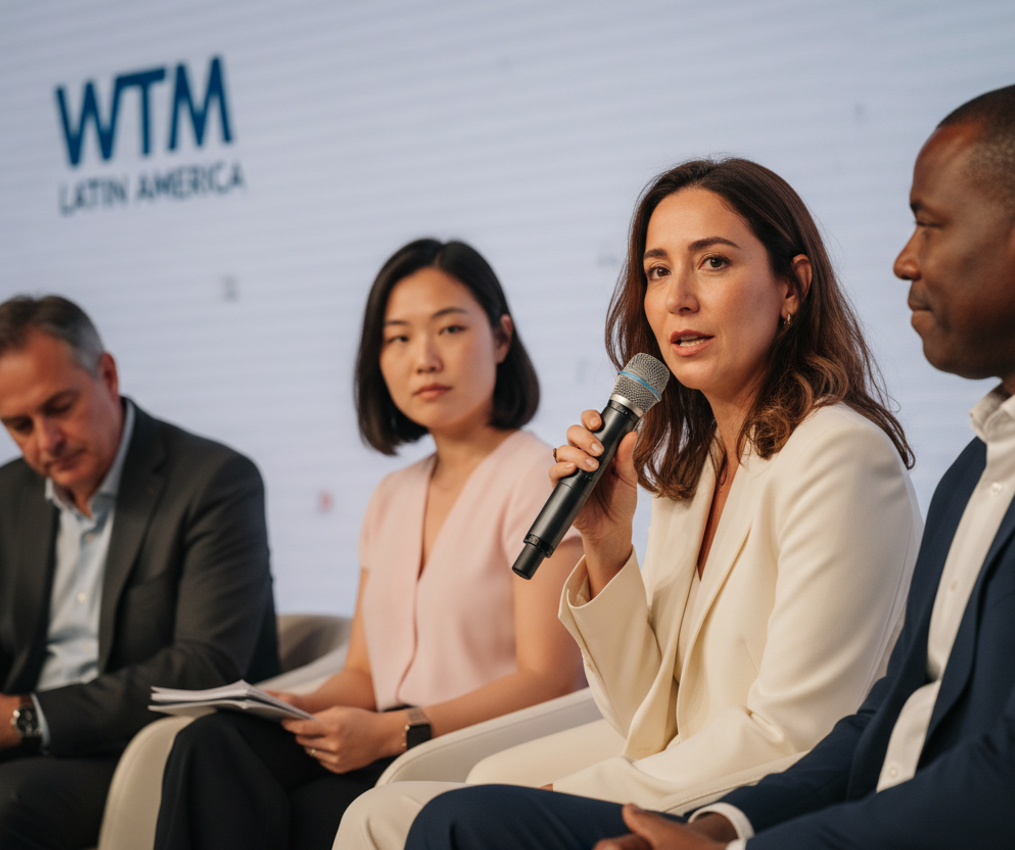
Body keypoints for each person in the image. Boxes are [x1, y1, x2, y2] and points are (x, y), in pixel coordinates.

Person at [405, 78, 1015, 850]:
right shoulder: (981, 461)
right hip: (806, 805)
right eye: (657, 270)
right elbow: (882, 720)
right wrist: (723, 826)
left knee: (458, 820)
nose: (905, 262)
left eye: (930, 226)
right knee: (453, 810)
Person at [339, 159, 922, 849]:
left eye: (712, 263)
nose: (677, 298)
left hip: (761, 803)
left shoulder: (839, 455)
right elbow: (645, 714)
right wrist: (608, 548)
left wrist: (572, 793)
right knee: (375, 814)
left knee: (459, 818)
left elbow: (794, 735)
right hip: (682, 769)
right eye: (656, 271)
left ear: (791, 287)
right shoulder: (691, 468)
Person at [152, 238, 585, 850]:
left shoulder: (541, 477)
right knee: (212, 745)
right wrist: (294, 705)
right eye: (399, 338)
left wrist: (392, 732)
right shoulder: (392, 494)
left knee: (307, 813)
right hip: (385, 738)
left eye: (450, 329)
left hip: (477, 749)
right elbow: (362, 672)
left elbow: (548, 680)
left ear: (501, 339)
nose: (424, 359)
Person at [0, 295, 280, 850]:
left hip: (141, 743)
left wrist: (26, 717)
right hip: (19, 741)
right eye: (19, 425)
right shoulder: (1, 495)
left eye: (60, 407)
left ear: (107, 374)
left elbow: (206, 665)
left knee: (3, 804)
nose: (47, 442)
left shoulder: (214, 482)